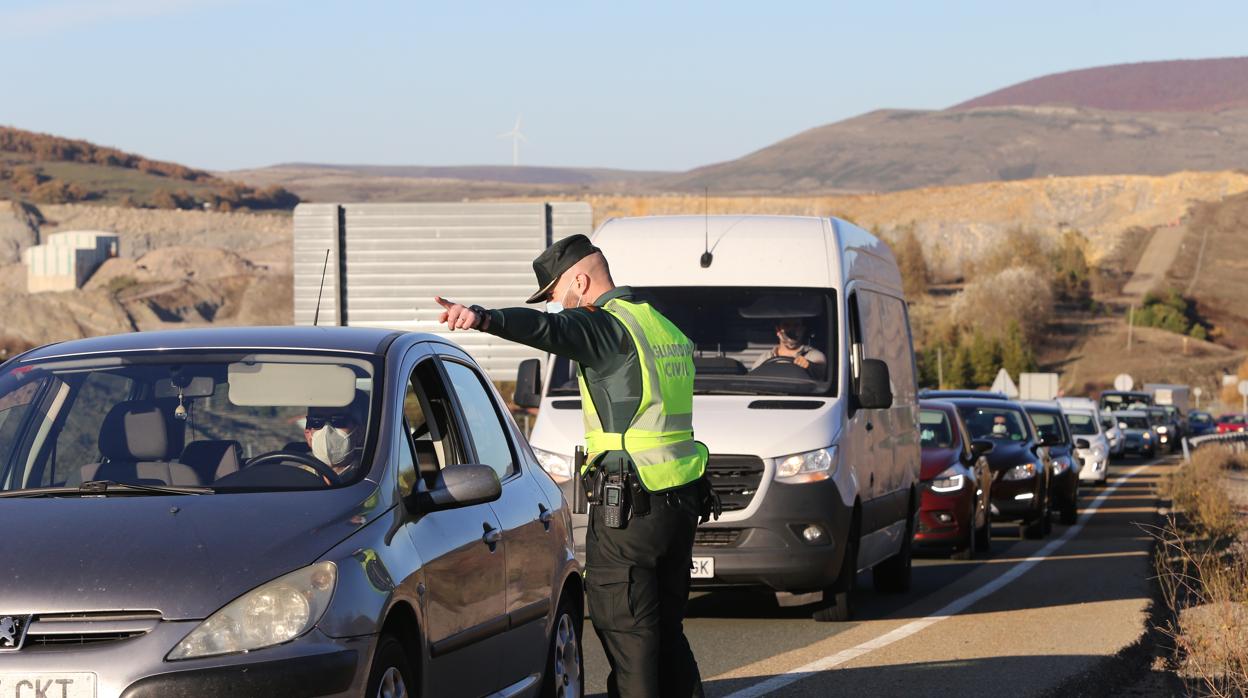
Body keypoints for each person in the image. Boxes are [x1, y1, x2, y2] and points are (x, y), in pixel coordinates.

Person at [435, 234, 711, 698]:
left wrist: (482, 317)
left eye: (556, 296)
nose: (554, 309)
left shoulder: (604, 327)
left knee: (628, 634)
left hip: (632, 511)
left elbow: (548, 332)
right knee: (665, 633)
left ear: (581, 281)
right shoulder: (659, 324)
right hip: (678, 499)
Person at [302, 402, 364, 479]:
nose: (327, 429)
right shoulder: (294, 476)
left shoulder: (373, 474)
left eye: (338, 420)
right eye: (317, 421)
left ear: (359, 433)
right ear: (308, 436)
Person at [750, 319, 826, 378]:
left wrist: (810, 367)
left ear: (803, 329)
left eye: (796, 325)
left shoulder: (814, 356)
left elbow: (821, 376)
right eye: (786, 325)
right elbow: (752, 382)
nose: (791, 330)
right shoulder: (764, 358)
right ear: (778, 330)